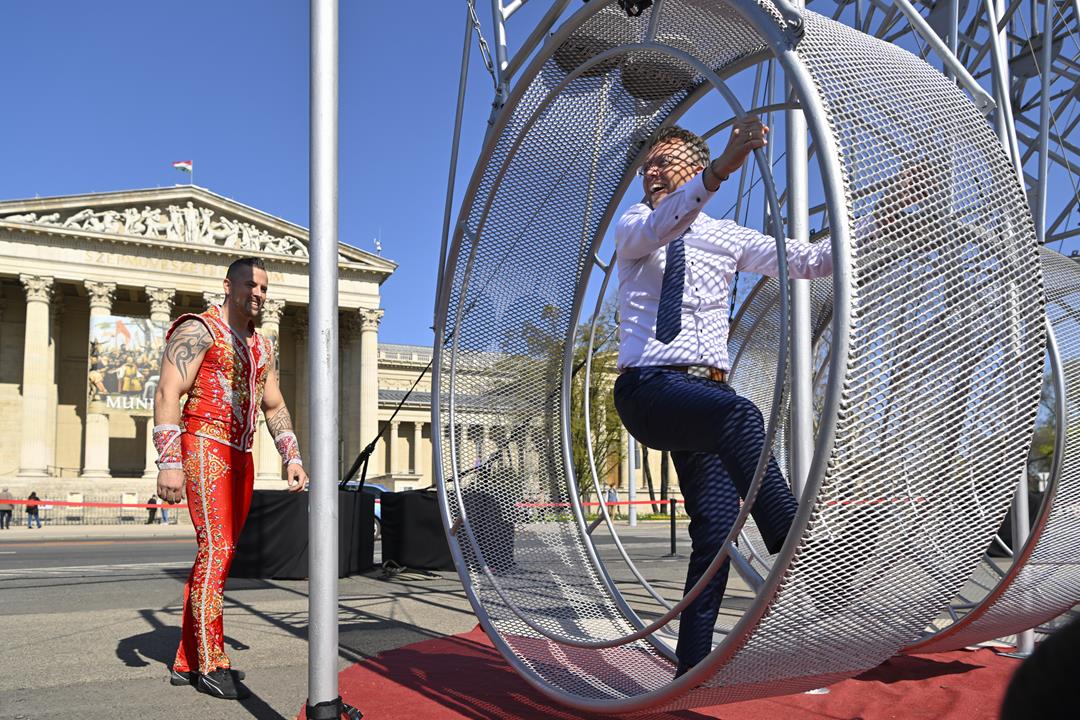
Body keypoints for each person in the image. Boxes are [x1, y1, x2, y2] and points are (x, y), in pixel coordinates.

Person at [612, 120, 832, 676]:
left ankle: (691, 666)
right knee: (739, 414)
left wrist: (886, 220)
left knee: (715, 528)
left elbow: (811, 262)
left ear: (690, 164)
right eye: (647, 165)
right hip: (650, 388)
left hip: (704, 395)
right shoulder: (637, 223)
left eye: (663, 162)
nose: (651, 171)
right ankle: (799, 547)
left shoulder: (727, 236)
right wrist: (717, 173)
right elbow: (665, 223)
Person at [154, 256, 308, 700]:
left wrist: (291, 456)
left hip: (242, 455)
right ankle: (211, 662)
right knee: (217, 550)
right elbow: (168, 391)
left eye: (263, 287)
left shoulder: (262, 346)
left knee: (218, 555)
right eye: (249, 285)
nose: (257, 293)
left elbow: (274, 405)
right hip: (204, 445)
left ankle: (186, 660)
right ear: (228, 285)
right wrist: (169, 461)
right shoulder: (198, 329)